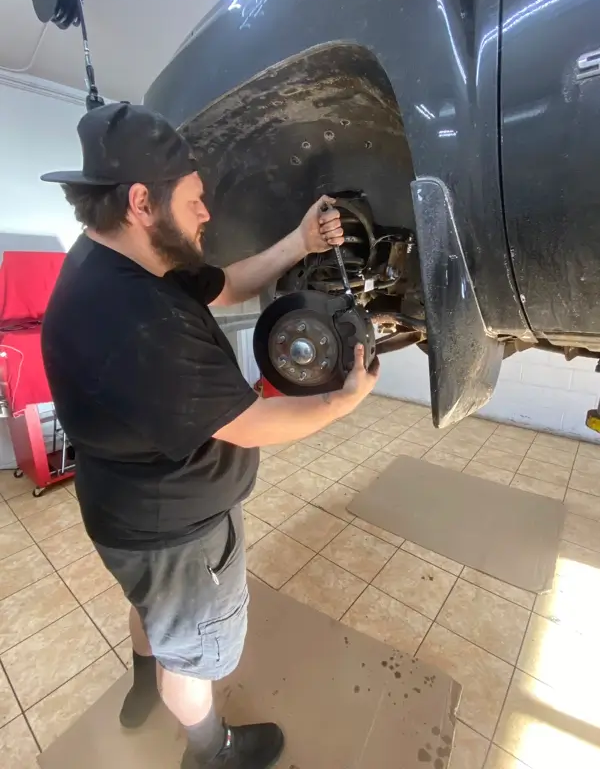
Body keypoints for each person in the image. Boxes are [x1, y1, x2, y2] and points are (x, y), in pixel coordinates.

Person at [41, 102, 379, 769]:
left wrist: (299, 245)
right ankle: (210, 750)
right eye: (195, 199)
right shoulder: (136, 321)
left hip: (123, 510)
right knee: (195, 655)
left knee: (152, 609)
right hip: (176, 535)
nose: (206, 214)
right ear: (142, 200)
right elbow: (249, 422)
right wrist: (344, 403)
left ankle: (145, 683)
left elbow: (220, 286)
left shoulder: (117, 257)